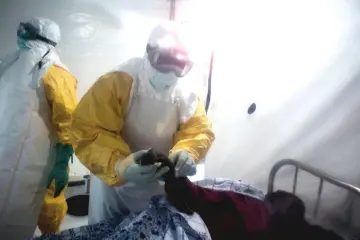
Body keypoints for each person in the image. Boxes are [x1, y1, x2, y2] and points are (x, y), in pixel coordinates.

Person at [69, 21, 215, 224]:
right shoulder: (118, 81)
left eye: (180, 67)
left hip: (158, 185)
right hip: (114, 184)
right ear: (149, 52)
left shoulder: (187, 92)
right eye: (164, 62)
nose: (171, 74)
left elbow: (198, 131)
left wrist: (188, 152)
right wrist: (120, 166)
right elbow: (88, 130)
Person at [0, 17, 77, 239]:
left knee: (41, 201)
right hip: (21, 155)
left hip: (37, 156)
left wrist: (62, 160)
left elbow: (68, 119)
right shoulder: (11, 64)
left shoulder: (53, 72)